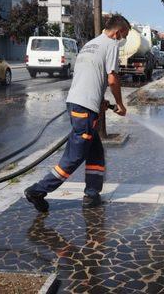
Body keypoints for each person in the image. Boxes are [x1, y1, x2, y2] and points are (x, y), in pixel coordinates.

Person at [24, 15, 130, 212]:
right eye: (125, 35)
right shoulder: (112, 45)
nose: (123, 40)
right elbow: (113, 79)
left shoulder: (91, 44)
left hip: (76, 103)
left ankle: (92, 194)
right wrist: (120, 104)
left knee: (95, 151)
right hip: (85, 109)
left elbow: (90, 76)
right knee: (75, 155)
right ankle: (38, 190)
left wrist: (101, 101)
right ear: (118, 32)